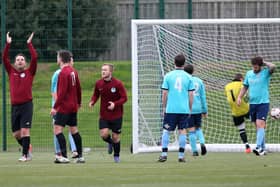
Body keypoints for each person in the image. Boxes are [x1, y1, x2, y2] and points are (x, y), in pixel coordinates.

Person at [2, 32, 36, 162]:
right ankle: (28, 148)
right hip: (15, 106)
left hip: (27, 105)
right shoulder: (11, 72)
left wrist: (29, 44)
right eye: (17, 60)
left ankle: (25, 155)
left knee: (25, 131)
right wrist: (8, 44)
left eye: (22, 60)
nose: (20, 61)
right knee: (16, 134)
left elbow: (34, 57)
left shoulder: (30, 72)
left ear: (25, 62)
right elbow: (4, 58)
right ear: (15, 63)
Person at [158, 54, 194, 163]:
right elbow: (191, 95)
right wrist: (190, 108)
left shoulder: (168, 76)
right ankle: (181, 156)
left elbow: (164, 93)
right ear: (184, 63)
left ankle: (164, 154)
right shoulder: (189, 77)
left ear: (174, 62)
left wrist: (164, 107)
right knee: (182, 131)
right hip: (183, 109)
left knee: (166, 130)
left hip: (171, 109)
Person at [50, 50, 84, 163]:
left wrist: (55, 107)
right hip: (73, 106)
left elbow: (62, 92)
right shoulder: (73, 71)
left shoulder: (63, 73)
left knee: (57, 129)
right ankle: (80, 156)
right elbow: (79, 88)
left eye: (57, 56)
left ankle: (63, 156)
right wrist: (78, 102)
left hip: (64, 107)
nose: (57, 59)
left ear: (60, 58)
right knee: (74, 130)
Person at [89, 63, 127, 163]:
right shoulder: (99, 83)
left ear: (110, 72)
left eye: (105, 70)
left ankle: (116, 156)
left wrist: (115, 104)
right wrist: (92, 102)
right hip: (104, 115)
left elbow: (124, 98)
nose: (103, 71)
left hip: (117, 115)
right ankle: (110, 143)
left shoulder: (118, 84)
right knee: (104, 135)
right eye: (102, 69)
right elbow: (95, 95)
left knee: (115, 137)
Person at [237, 57, 276, 156]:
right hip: (252, 104)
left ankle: (258, 147)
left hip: (263, 103)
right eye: (253, 66)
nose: (254, 68)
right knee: (258, 127)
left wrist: (264, 63)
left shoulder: (266, 72)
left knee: (260, 125)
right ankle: (262, 149)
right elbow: (245, 86)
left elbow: (273, 66)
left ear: (260, 66)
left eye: (256, 66)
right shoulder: (249, 73)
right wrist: (239, 97)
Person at [184, 64, 207, 156]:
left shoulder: (185, 81)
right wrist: (204, 110)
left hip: (188, 108)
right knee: (198, 128)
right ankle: (202, 143)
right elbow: (203, 96)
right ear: (193, 71)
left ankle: (194, 151)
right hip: (198, 108)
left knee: (191, 129)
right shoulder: (199, 81)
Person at [225, 73, 251, 153]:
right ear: (241, 79)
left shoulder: (227, 86)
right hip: (246, 109)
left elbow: (228, 98)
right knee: (258, 124)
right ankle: (260, 145)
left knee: (241, 129)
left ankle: (247, 146)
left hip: (235, 111)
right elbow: (246, 96)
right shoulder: (242, 84)